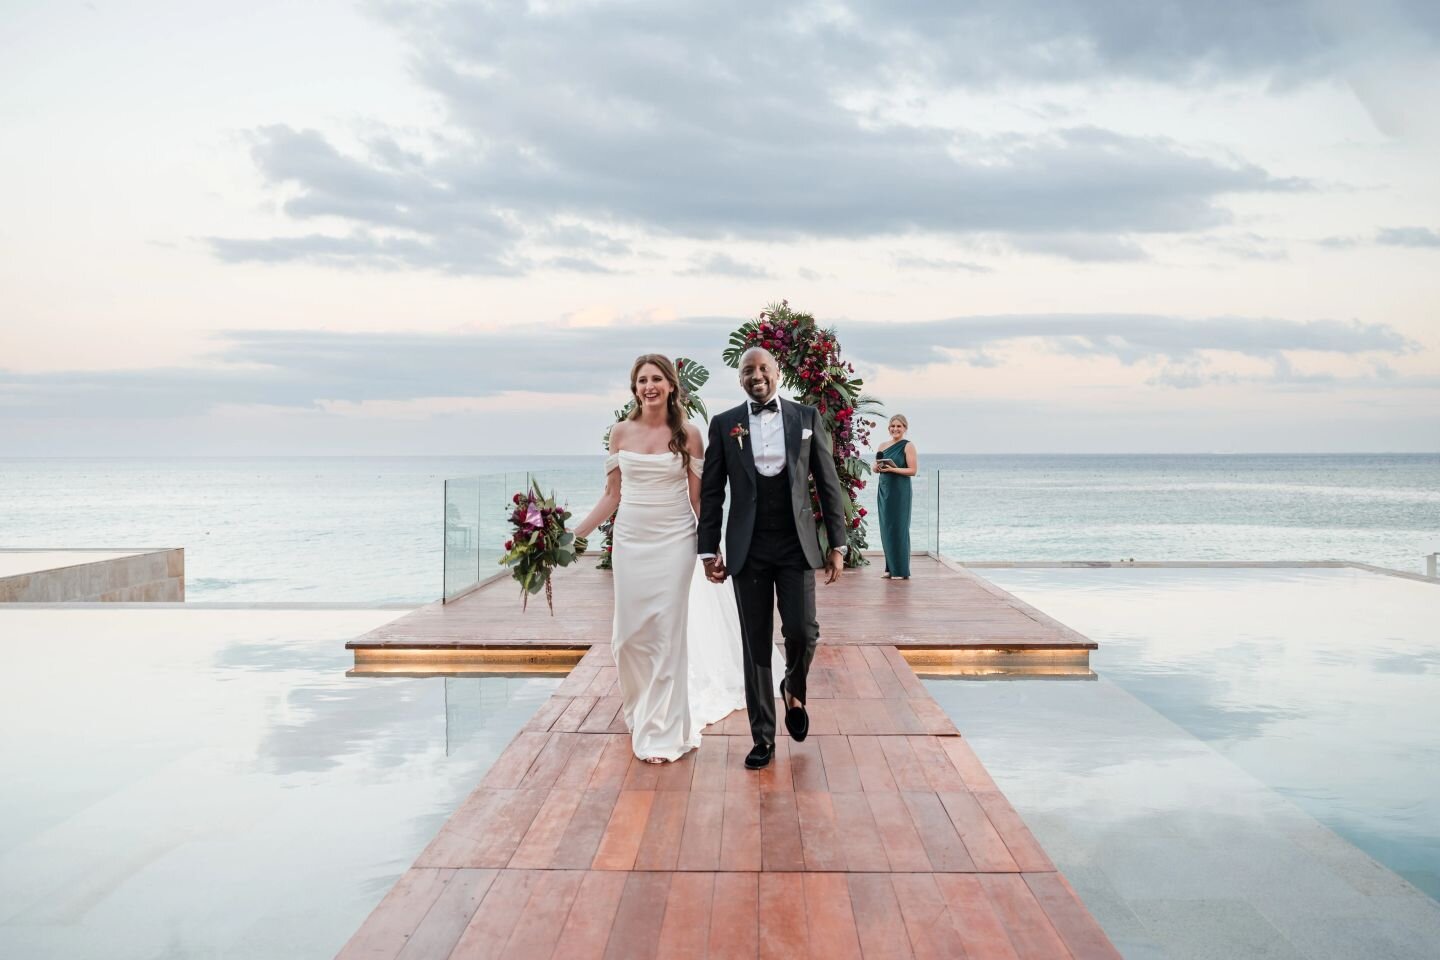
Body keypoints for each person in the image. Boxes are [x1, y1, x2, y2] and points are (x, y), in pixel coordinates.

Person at [572, 355, 746, 763]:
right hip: (631, 542)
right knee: (629, 640)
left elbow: (698, 499)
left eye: (656, 379)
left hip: (675, 542)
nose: (648, 386)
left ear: (671, 385)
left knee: (666, 637)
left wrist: (713, 547)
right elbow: (612, 496)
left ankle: (664, 732)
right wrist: (572, 536)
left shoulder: (689, 435)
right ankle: (641, 710)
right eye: (641, 381)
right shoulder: (620, 433)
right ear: (635, 389)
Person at [697, 347, 849, 770]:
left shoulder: (806, 418)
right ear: (740, 378)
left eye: (763, 368)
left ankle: (793, 686)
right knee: (756, 643)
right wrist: (709, 549)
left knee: (803, 631)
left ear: (777, 373)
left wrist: (838, 543)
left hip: (796, 544)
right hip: (749, 547)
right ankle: (762, 736)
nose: (756, 375)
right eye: (748, 370)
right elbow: (712, 491)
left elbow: (827, 482)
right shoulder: (725, 424)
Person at [875, 413, 919, 579]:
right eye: (893, 426)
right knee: (886, 528)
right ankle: (889, 568)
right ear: (889, 428)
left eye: (899, 426)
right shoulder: (882, 445)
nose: (895, 429)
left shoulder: (908, 446)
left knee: (899, 528)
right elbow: (875, 467)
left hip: (900, 491)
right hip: (884, 490)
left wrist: (893, 469)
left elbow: (912, 471)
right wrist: (877, 468)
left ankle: (900, 570)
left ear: (904, 428)